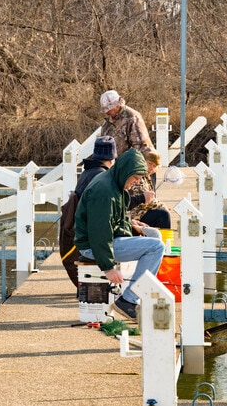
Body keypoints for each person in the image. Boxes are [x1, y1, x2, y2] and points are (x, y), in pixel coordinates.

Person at [74, 148, 165, 320]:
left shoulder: (115, 183)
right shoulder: (104, 191)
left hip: (108, 239)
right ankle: (128, 300)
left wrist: (134, 229)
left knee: (154, 236)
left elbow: (118, 218)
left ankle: (140, 291)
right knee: (156, 247)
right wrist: (108, 267)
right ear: (126, 171)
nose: (136, 183)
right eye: (136, 178)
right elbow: (99, 232)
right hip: (93, 246)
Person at [59, 136, 117, 287]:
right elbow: (100, 215)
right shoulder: (101, 177)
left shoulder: (87, 173)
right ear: (112, 159)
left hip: (77, 230)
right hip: (87, 236)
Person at [99, 90, 154, 156]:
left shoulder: (132, 117)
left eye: (109, 109)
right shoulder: (107, 123)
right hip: (114, 164)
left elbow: (141, 146)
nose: (106, 112)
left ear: (116, 105)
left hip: (130, 163)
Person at [128, 149, 171, 229]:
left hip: (142, 211)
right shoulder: (138, 177)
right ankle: (163, 240)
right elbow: (146, 200)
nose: (151, 168)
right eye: (149, 164)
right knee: (163, 215)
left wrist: (160, 206)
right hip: (134, 214)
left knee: (163, 214)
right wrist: (162, 206)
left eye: (154, 166)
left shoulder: (147, 177)